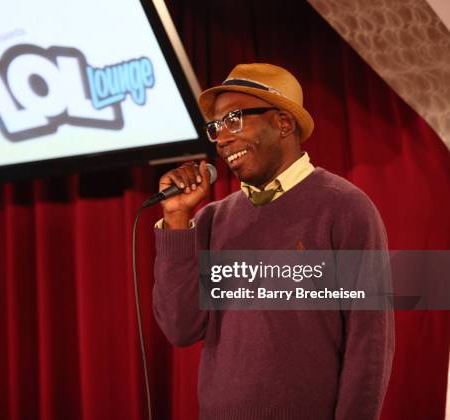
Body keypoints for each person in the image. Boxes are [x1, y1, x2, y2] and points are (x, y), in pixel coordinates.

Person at [152, 63, 394, 419]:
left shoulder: (345, 207)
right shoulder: (210, 220)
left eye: (234, 120)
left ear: (283, 123)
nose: (222, 138)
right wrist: (175, 219)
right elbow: (181, 328)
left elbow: (370, 342)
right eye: (216, 128)